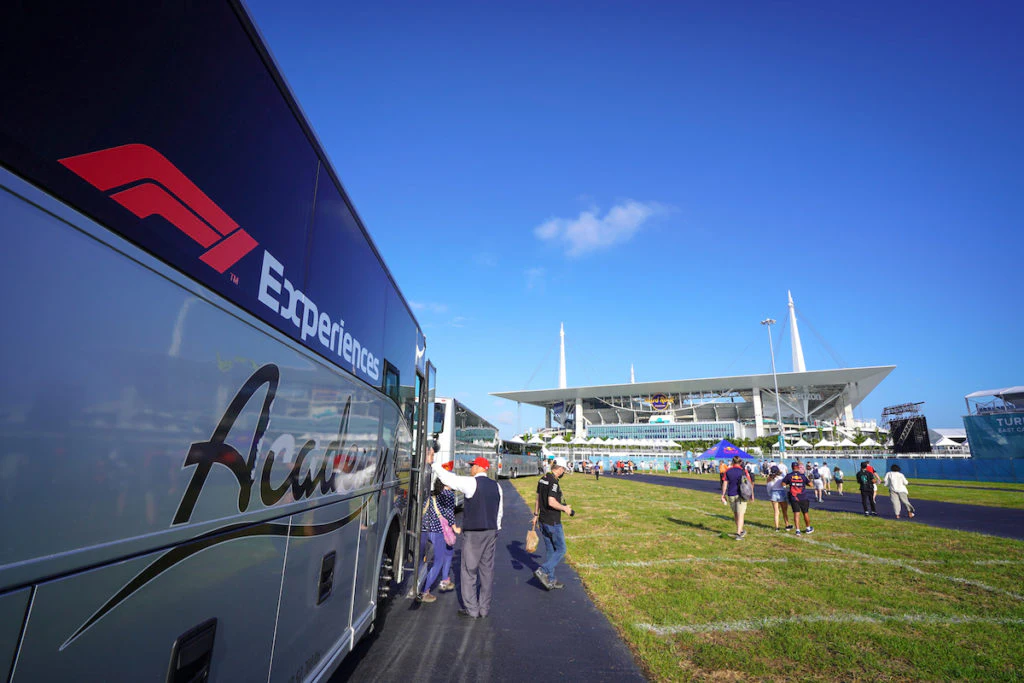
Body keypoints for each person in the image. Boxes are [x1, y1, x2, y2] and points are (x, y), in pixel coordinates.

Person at [429, 447, 503, 619]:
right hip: (491, 531)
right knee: (487, 571)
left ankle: (472, 609)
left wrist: (433, 463)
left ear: (478, 467)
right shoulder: (497, 486)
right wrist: (496, 529)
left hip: (474, 533)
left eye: (472, 466)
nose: (470, 468)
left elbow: (449, 479)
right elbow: (499, 511)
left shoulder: (472, 483)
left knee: (469, 571)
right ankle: (484, 609)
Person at [417, 473, 460, 603]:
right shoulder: (448, 495)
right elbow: (449, 513)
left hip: (424, 529)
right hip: (438, 531)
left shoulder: (432, 493)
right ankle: (425, 591)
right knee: (438, 561)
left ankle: (444, 580)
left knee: (448, 551)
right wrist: (455, 527)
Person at [534, 456, 573, 590]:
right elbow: (551, 501)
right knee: (561, 549)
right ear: (560, 469)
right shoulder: (554, 482)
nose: (563, 473)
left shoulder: (543, 479)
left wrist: (535, 514)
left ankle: (550, 580)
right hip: (552, 521)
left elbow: (538, 499)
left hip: (543, 520)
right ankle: (543, 570)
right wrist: (565, 508)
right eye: (563, 470)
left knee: (551, 551)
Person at [720, 455, 754, 539]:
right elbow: (749, 483)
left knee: (735, 513)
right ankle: (739, 533)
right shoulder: (743, 471)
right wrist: (751, 494)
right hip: (741, 494)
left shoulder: (728, 471)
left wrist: (723, 494)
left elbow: (725, 483)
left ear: (732, 462)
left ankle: (740, 530)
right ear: (741, 462)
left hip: (731, 494)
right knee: (741, 514)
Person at [781, 461, 814, 534]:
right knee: (805, 513)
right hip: (803, 497)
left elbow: (783, 483)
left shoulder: (789, 475)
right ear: (798, 467)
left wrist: (789, 485)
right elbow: (811, 485)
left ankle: (797, 530)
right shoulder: (802, 476)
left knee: (796, 513)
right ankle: (808, 528)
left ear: (792, 467)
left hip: (794, 497)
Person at [765, 465, 791, 531]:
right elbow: (784, 485)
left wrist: (769, 494)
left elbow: (768, 487)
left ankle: (777, 527)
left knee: (776, 512)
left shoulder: (769, 478)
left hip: (773, 493)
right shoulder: (781, 477)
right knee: (784, 511)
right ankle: (787, 525)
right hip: (781, 492)